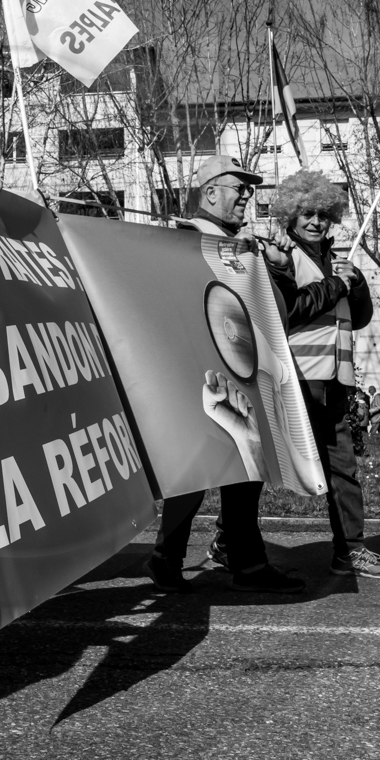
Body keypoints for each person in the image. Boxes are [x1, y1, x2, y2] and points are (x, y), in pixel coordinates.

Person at [142, 155, 306, 596]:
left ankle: (243, 564)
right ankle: (169, 558)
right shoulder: (183, 238)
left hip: (243, 370)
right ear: (211, 192)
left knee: (246, 473)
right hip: (198, 373)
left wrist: (279, 267)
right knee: (197, 473)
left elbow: (280, 311)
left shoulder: (246, 248)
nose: (247, 197)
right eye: (240, 188)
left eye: (250, 189)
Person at [273, 170, 380, 580]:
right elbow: (288, 311)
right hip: (295, 381)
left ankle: (350, 551)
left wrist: (354, 285)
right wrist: (336, 283)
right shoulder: (283, 257)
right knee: (264, 465)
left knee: (342, 467)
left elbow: (358, 319)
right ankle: (228, 539)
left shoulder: (337, 259)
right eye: (306, 213)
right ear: (289, 215)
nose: (315, 222)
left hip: (335, 382)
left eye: (323, 214)